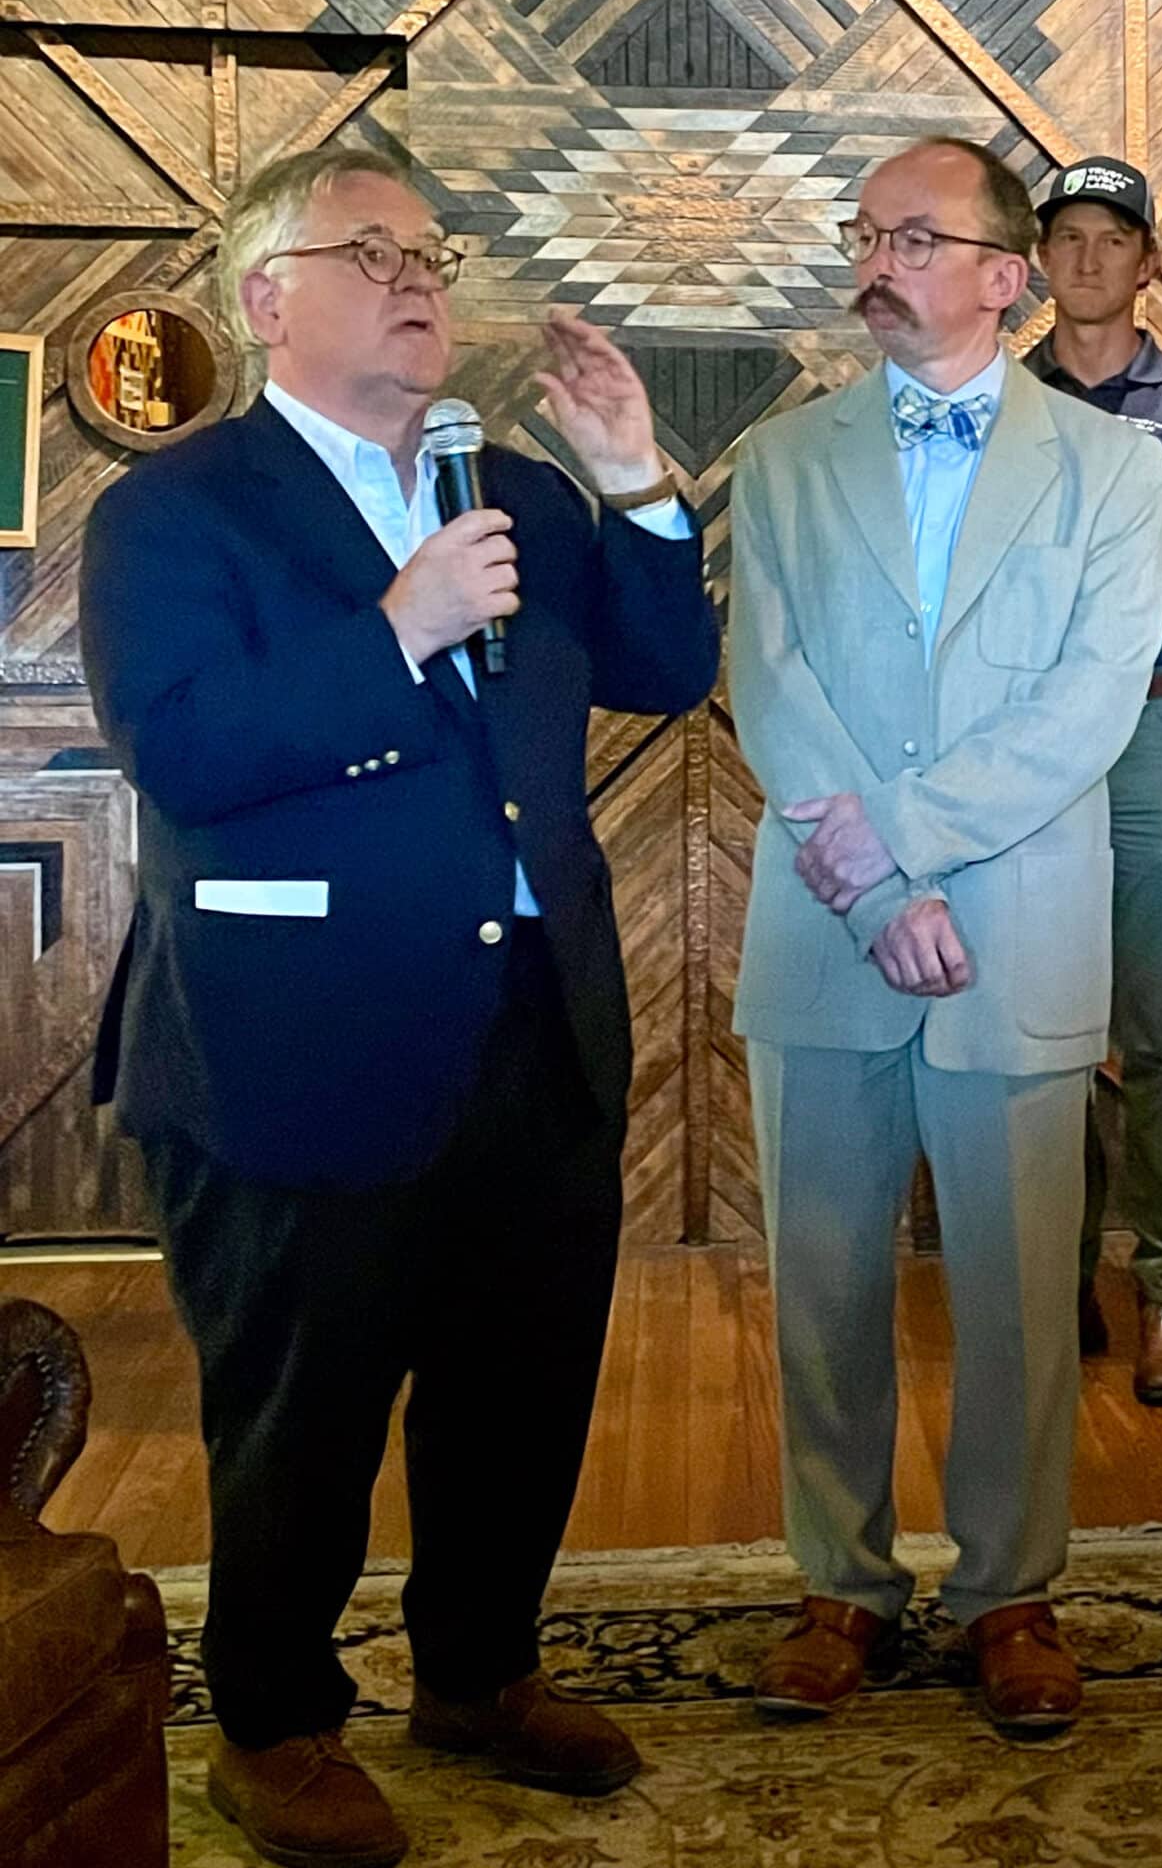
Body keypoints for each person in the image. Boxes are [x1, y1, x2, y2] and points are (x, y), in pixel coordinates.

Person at [79, 146, 718, 1868]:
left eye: (430, 251)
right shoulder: (177, 507)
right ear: (264, 297)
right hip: (299, 1029)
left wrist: (632, 479)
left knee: (520, 1389)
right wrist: (394, 628)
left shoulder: (512, 489)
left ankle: (478, 1673)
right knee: (302, 1408)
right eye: (369, 252)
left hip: (535, 1019)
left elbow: (668, 672)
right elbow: (184, 750)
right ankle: (274, 1720)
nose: (419, 277)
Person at [727, 137, 1162, 1737]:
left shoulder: (1114, 469)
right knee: (823, 1286)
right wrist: (870, 890)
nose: (876, 261)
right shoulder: (782, 460)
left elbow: (1092, 705)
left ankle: (1010, 1593)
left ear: (1007, 273)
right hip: (826, 931)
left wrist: (900, 844)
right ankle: (837, 1581)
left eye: (912, 238)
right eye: (866, 235)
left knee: (1022, 1295)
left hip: (1014, 935)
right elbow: (770, 685)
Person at [1028, 156, 1162, 1407]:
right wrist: (1127, 554)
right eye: (1069, 235)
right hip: (1029, 732)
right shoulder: (1003, 399)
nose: (1090, 256)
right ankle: (1053, 1277)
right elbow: (992, 588)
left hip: (1152, 720)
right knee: (1039, 1023)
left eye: (1114, 236)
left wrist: (1066, 565)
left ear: (1149, 259)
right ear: (1039, 260)